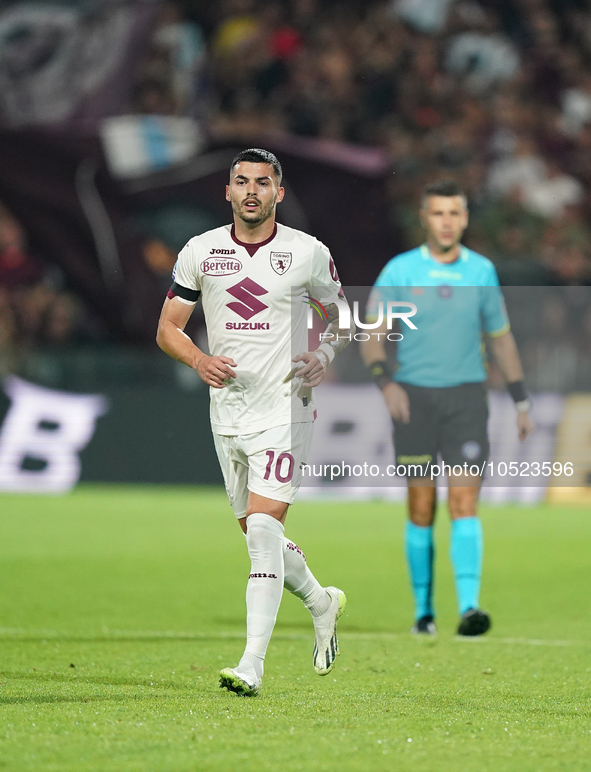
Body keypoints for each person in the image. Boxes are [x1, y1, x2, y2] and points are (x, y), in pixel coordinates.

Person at [156, 148, 352, 695]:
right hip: (229, 414)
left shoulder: (307, 253)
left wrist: (325, 356)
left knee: (265, 532)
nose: (251, 191)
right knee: (255, 533)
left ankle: (252, 664)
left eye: (262, 183)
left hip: (286, 409)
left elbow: (341, 317)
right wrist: (199, 359)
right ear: (227, 191)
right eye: (241, 181)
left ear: (278, 194)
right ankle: (320, 600)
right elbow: (168, 328)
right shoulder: (201, 251)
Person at [361, 180, 534, 637]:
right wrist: (385, 383)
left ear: (465, 219)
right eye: (438, 213)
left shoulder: (481, 272)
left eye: (454, 214)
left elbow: (501, 338)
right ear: (424, 217)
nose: (446, 222)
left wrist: (520, 398)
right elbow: (372, 334)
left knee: (464, 501)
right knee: (421, 507)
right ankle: (424, 612)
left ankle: (470, 609)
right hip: (414, 400)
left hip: (467, 401)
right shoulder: (399, 271)